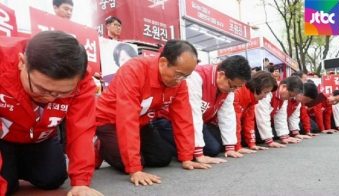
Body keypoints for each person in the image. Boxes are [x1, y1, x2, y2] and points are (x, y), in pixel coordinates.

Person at [95, 40, 210, 186]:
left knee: (162, 159)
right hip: (109, 120)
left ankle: (120, 148)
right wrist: (134, 169)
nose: (180, 81)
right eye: (178, 74)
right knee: (132, 164)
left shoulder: (179, 83)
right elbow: (126, 119)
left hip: (141, 121)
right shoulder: (133, 70)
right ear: (162, 62)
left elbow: (183, 119)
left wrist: (187, 157)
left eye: (185, 76)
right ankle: (101, 146)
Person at [0, 31, 102, 196]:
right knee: (7, 186)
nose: (50, 99)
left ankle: (16, 166)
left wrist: (81, 183)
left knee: (53, 178)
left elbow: (81, 128)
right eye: (41, 89)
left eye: (63, 93)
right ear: (21, 62)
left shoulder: (82, 80)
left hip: (41, 137)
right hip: (4, 138)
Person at [152, 55, 251, 163]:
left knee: (213, 149)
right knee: (170, 154)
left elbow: (227, 115)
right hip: (169, 120)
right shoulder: (197, 76)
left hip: (197, 122)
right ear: (221, 75)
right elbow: (192, 113)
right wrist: (199, 154)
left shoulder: (228, 89)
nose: (233, 90)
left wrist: (230, 147)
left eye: (237, 87)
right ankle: (157, 139)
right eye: (233, 86)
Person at [233, 71, 278, 154]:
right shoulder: (238, 93)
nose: (265, 96)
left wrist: (252, 144)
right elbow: (235, 122)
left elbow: (249, 121)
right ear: (256, 87)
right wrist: (237, 147)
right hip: (216, 125)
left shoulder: (252, 99)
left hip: (228, 126)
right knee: (214, 148)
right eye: (265, 92)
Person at [255, 76, 303, 147]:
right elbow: (262, 116)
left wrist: (284, 135)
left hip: (258, 123)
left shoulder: (283, 97)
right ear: (284, 86)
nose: (290, 99)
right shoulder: (269, 91)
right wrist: (269, 140)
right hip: (252, 122)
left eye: (292, 97)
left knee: (272, 134)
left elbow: (281, 116)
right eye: (290, 95)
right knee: (263, 137)